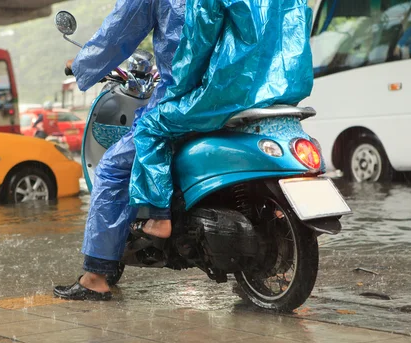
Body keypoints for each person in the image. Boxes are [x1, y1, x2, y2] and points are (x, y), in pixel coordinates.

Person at [128, 0, 314, 235]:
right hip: (288, 89)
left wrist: (175, 92)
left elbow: (196, 46)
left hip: (230, 92)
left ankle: (160, 218)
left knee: (149, 125)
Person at [53, 0, 186, 301]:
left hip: (184, 97)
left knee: (113, 166)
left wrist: (81, 63)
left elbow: (120, 30)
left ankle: (95, 278)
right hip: (248, 94)